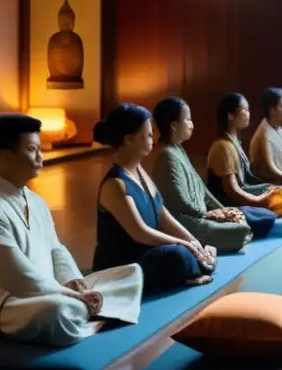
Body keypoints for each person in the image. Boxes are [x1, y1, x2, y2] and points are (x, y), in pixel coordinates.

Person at [0, 114, 143, 346]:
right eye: (32, 149)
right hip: (14, 301)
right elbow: (18, 277)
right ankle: (89, 313)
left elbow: (56, 248)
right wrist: (72, 295)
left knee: (132, 273)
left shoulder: (35, 200)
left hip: (53, 289)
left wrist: (73, 280)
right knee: (55, 311)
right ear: (4, 156)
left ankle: (84, 310)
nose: (40, 156)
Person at [92, 104, 217, 291]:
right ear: (128, 139)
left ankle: (190, 269)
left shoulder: (140, 171)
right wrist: (184, 245)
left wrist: (194, 242)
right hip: (124, 266)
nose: (154, 138)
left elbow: (163, 215)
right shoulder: (115, 183)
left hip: (148, 255)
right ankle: (188, 271)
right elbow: (140, 232)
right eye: (148, 135)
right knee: (178, 255)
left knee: (194, 250)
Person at [150, 97, 259, 252]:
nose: (191, 125)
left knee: (241, 220)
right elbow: (179, 203)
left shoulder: (177, 148)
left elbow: (202, 189)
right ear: (174, 125)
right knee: (240, 230)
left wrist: (223, 210)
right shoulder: (166, 155)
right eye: (187, 119)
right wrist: (210, 214)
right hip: (185, 222)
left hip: (197, 215)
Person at [206, 93, 282, 226]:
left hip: (242, 195)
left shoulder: (234, 142)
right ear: (231, 115)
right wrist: (260, 201)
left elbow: (246, 182)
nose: (248, 114)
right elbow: (232, 190)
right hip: (227, 204)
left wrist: (270, 190)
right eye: (245, 110)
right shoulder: (223, 146)